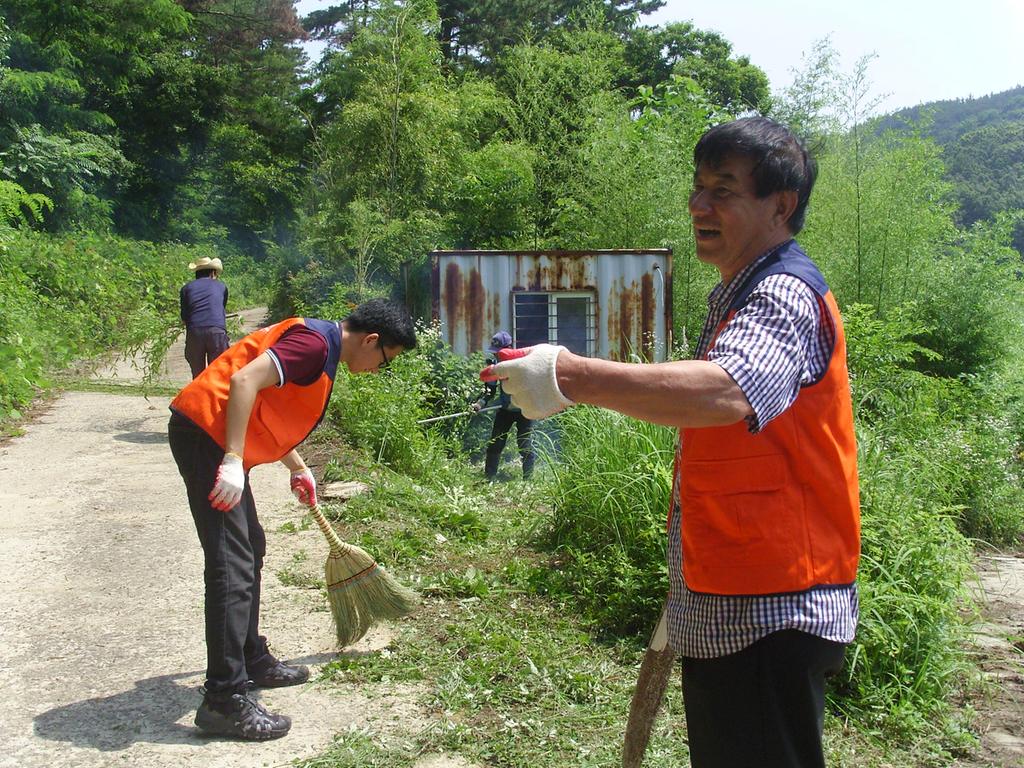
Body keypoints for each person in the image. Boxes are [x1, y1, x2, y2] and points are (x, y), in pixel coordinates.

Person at [485, 117, 859, 768]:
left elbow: (726, 391)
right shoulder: (737, 293)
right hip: (731, 598)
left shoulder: (781, 294)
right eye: (697, 186)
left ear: (781, 205)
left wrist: (572, 376)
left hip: (771, 608)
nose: (698, 204)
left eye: (723, 189)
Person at [167, 298, 417, 741]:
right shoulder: (315, 346)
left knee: (251, 549)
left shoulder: (321, 345)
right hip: (207, 435)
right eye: (386, 360)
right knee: (232, 565)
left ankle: (250, 657)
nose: (381, 369)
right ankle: (223, 699)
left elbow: (268, 409)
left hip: (215, 436)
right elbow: (244, 381)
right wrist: (232, 458)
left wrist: (298, 468)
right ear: (372, 340)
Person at [472, 330, 535, 481]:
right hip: (505, 411)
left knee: (524, 444)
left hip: (524, 411)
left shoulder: (522, 365)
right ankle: (489, 477)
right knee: (496, 442)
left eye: (499, 352)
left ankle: (528, 479)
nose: (496, 355)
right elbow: (489, 391)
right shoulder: (495, 367)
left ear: (509, 348)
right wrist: (479, 404)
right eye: (495, 352)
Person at [180, 256, 230, 378]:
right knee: (218, 372)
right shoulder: (222, 287)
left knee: (198, 375)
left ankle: (199, 394)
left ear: (196, 273)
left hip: (195, 331)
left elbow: (184, 317)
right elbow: (220, 309)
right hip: (216, 331)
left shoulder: (186, 288)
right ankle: (215, 395)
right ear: (213, 272)